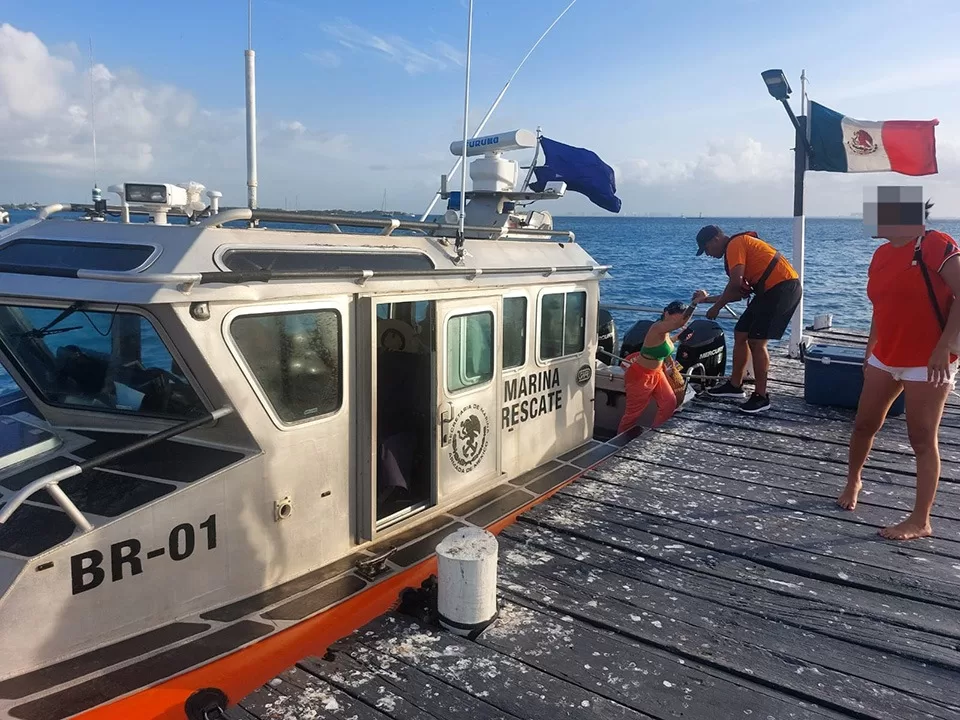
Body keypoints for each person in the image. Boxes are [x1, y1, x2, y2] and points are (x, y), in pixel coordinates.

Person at [840, 197, 960, 541]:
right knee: (864, 423)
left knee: (921, 439)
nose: (872, 221)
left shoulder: (936, 244)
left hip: (928, 361)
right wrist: (869, 351)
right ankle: (853, 481)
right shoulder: (880, 256)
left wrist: (942, 348)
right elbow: (881, 307)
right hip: (886, 355)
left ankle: (921, 520)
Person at [691, 225, 802, 414]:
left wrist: (716, 308)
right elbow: (738, 293)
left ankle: (761, 396)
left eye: (707, 249)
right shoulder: (734, 249)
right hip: (768, 291)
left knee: (757, 342)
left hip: (782, 288)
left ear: (715, 239)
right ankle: (735, 385)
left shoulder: (735, 244)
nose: (708, 255)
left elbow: (734, 284)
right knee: (741, 332)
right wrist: (706, 300)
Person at [618, 301, 696, 434]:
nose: (678, 322)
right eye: (677, 318)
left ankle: (654, 434)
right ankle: (618, 445)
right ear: (666, 314)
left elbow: (664, 344)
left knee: (669, 402)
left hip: (658, 373)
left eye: (680, 318)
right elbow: (680, 324)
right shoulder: (657, 327)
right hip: (640, 376)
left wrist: (678, 337)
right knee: (632, 415)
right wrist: (695, 303)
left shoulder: (664, 333)